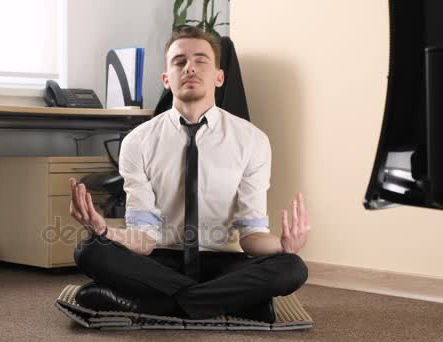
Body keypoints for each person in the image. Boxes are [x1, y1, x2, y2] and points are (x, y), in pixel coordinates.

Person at [68, 26, 311, 322]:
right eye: (179, 61)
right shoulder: (138, 141)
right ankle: (230, 303)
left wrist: (283, 246)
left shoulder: (252, 140)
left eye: (201, 60)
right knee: (90, 250)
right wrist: (105, 230)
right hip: (162, 261)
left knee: (291, 267)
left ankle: (155, 305)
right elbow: (143, 240)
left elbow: (251, 236)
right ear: (167, 79)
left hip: (221, 262)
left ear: (219, 77)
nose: (190, 68)